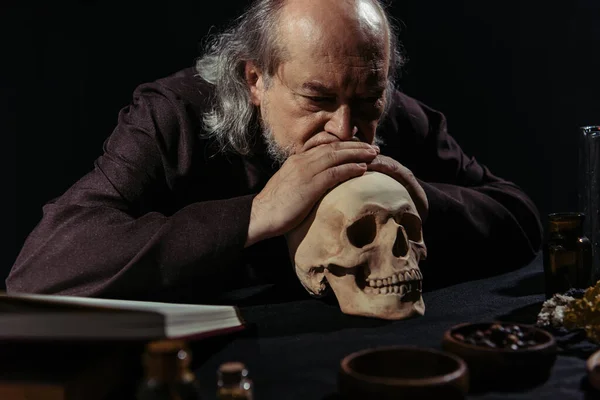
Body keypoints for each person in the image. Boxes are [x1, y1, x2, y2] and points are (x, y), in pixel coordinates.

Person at [7, 0, 543, 303]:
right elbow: (42, 268)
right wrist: (256, 213)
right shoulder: (172, 116)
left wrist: (413, 195)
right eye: (317, 98)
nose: (345, 128)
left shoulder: (387, 110)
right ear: (257, 80)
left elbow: (520, 217)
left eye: (367, 98)